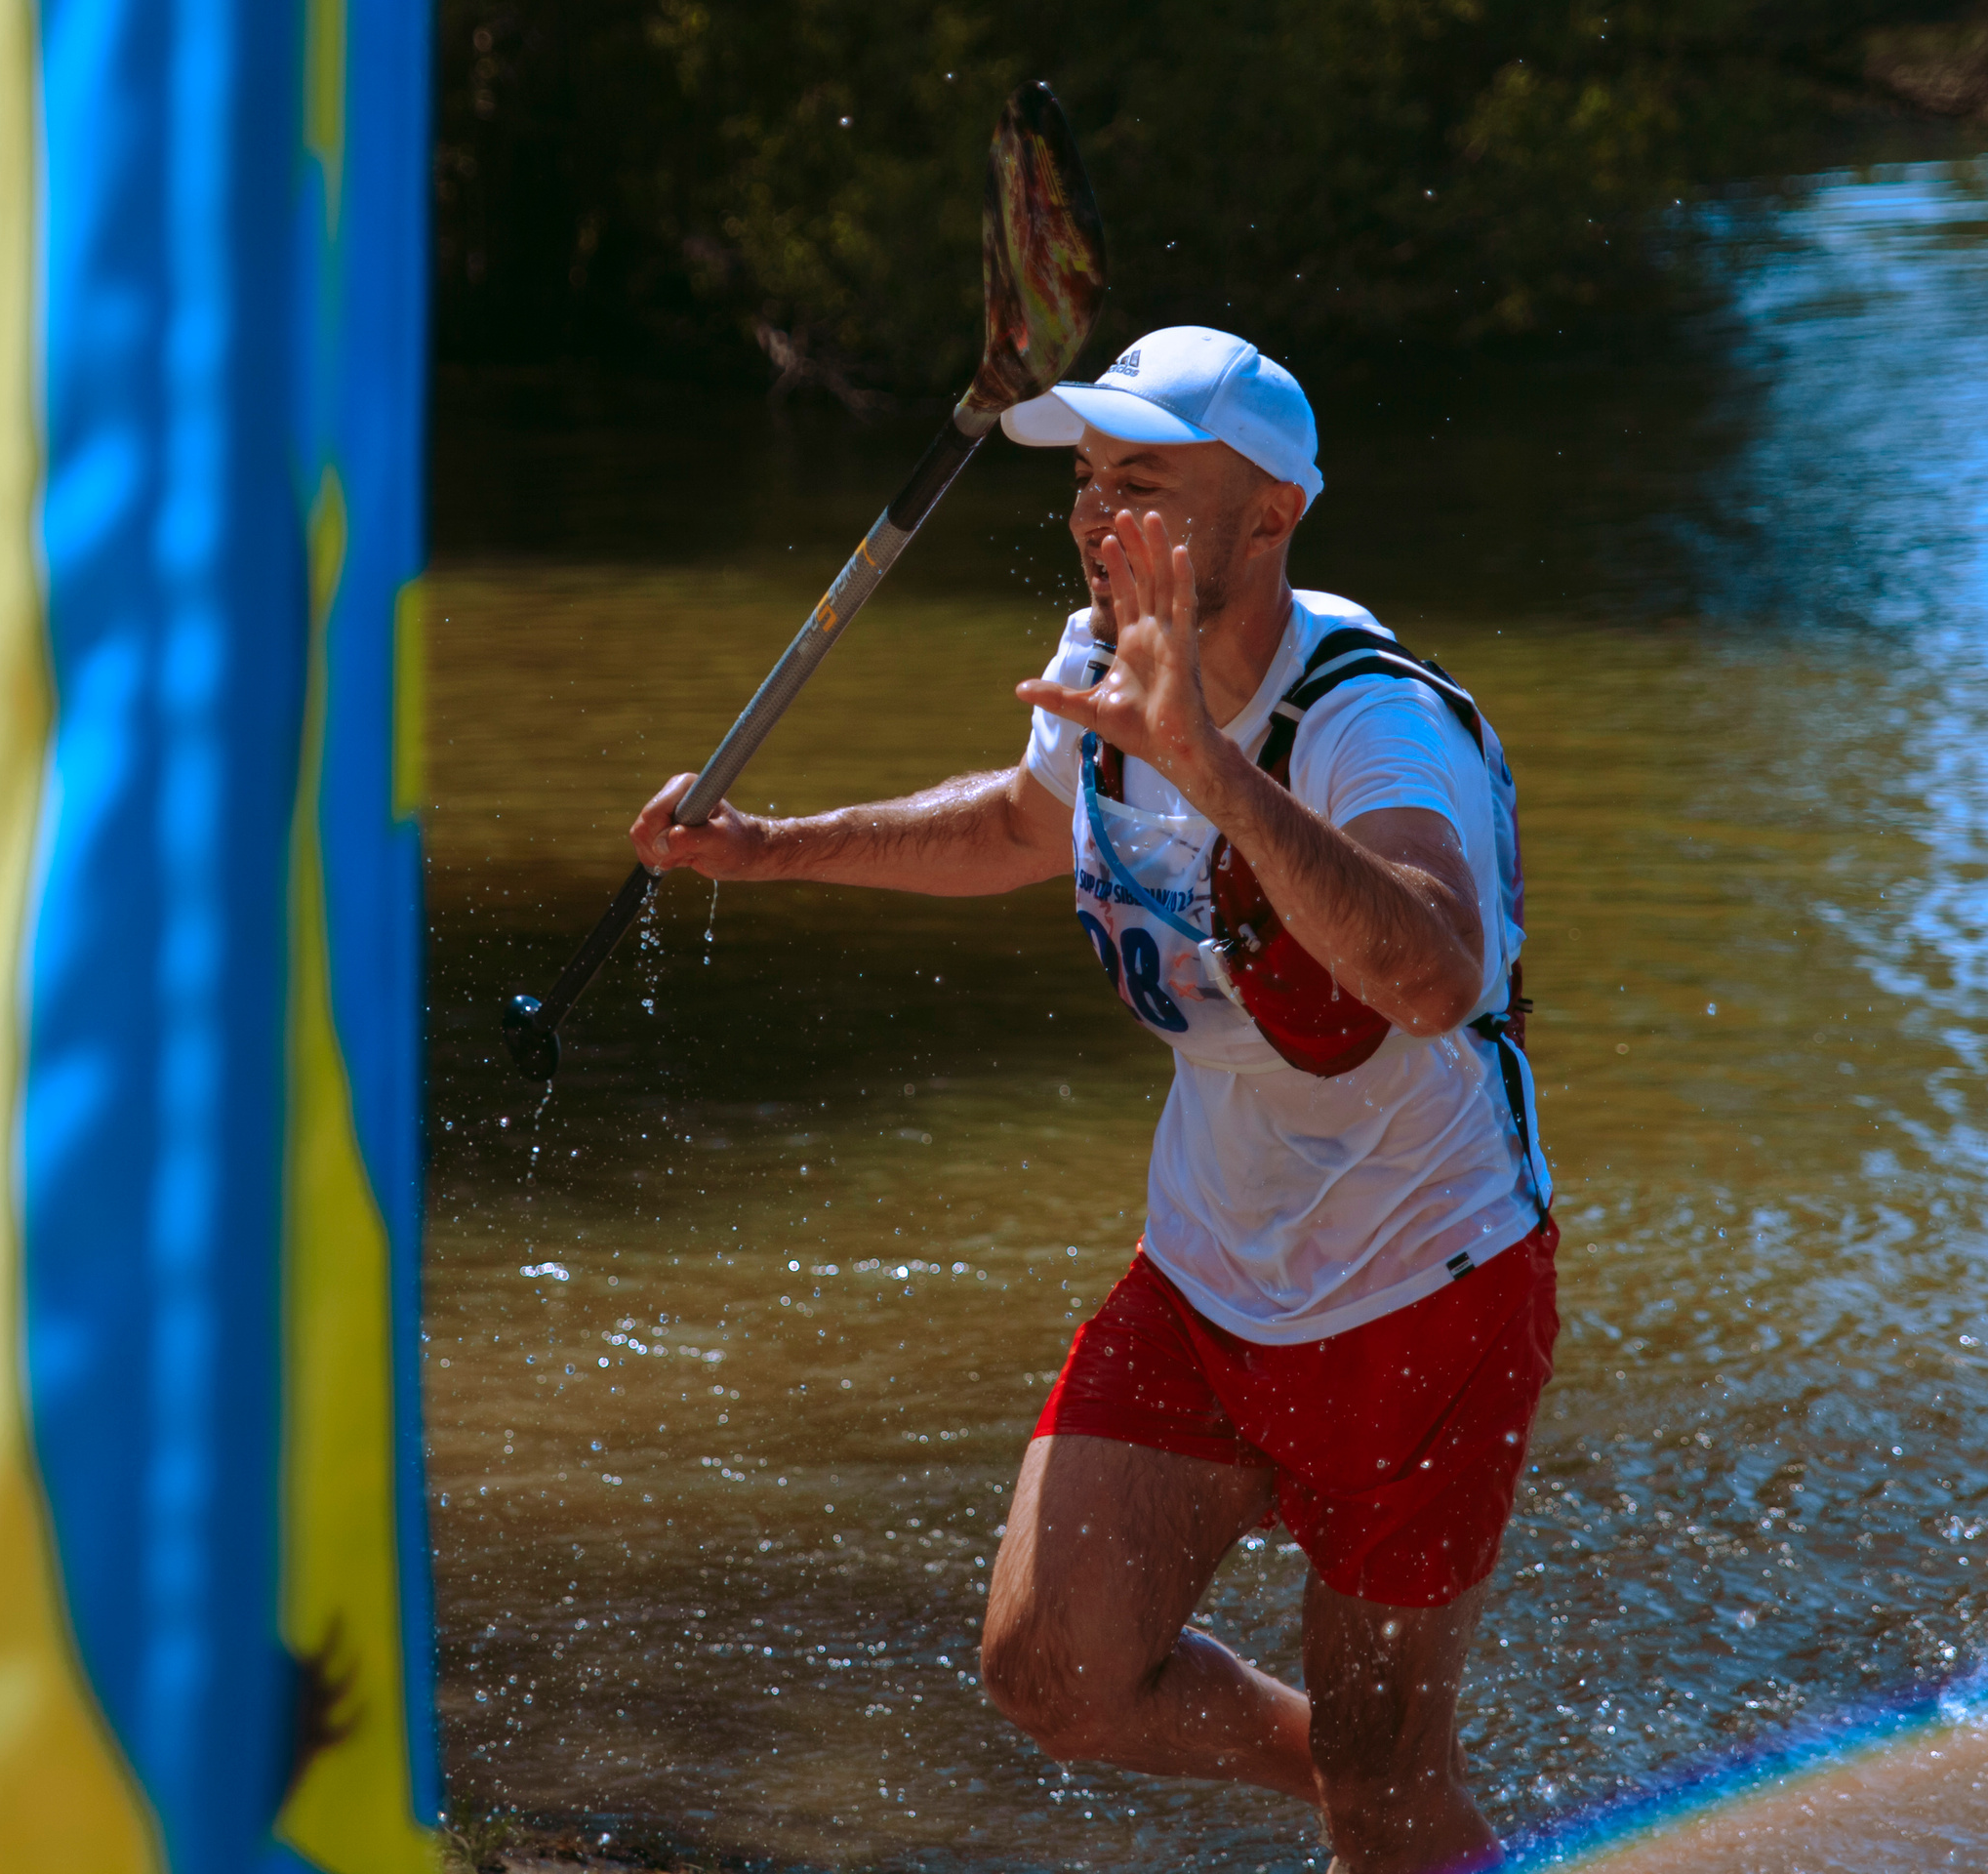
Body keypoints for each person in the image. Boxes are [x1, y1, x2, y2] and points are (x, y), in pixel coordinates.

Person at [629, 325, 1556, 1874]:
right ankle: (1371, 1789)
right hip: (1206, 1272)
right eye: (1088, 480)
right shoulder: (1099, 661)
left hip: (1424, 1291)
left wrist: (1207, 762)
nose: (1094, 517)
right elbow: (1018, 818)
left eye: (1145, 487)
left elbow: (1434, 974)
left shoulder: (1369, 721)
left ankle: (1388, 1795)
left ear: (1272, 518)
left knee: (1390, 1782)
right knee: (1051, 1675)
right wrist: (772, 847)